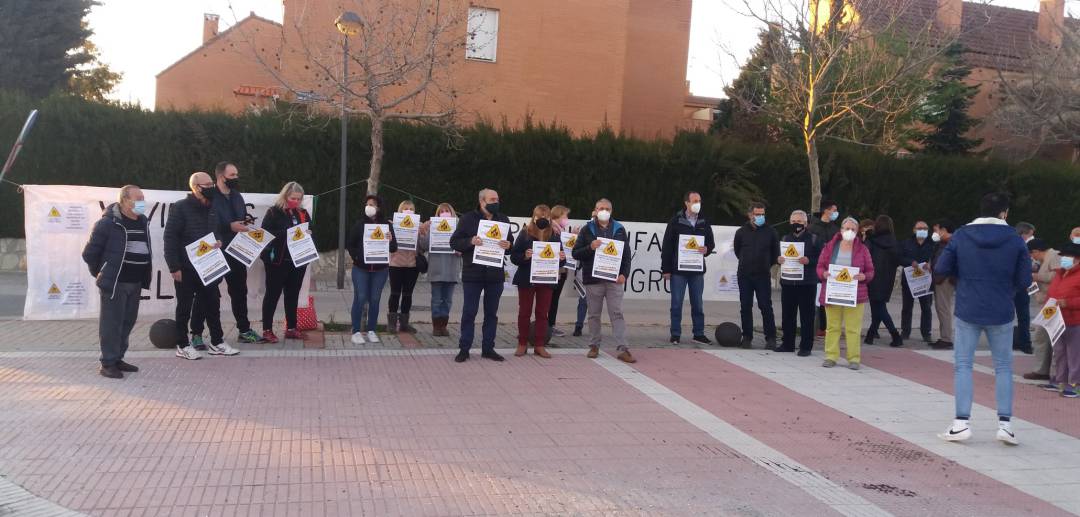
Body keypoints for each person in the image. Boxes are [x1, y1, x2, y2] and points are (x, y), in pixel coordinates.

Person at [935, 193, 1031, 446]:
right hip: (1001, 309)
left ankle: (961, 423)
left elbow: (941, 269)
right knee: (1003, 367)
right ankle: (1005, 425)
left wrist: (964, 281)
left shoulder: (962, 235)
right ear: (1004, 213)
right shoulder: (1015, 239)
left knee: (963, 365)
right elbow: (1024, 281)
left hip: (968, 307)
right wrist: (1006, 291)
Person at [164, 172, 240, 360]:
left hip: (209, 265)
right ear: (196, 187)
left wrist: (220, 241)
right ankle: (182, 344)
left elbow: (217, 231)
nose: (211, 187)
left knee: (213, 304)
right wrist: (174, 267)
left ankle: (217, 341)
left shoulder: (213, 207)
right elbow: (170, 238)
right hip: (187, 267)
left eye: (211, 183)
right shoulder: (181, 208)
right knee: (184, 307)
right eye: (207, 184)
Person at [82, 185, 152, 378]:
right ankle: (107, 363)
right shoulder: (107, 224)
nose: (142, 202)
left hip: (135, 282)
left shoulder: (142, 220)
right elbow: (89, 254)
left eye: (143, 197)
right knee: (111, 323)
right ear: (125, 201)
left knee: (127, 321)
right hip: (116, 283)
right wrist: (104, 273)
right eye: (138, 198)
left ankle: (118, 358)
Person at [450, 188, 513, 363]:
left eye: (497, 199)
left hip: (495, 275)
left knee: (491, 314)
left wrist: (508, 245)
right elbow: (454, 242)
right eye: (492, 199)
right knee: (469, 312)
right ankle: (464, 349)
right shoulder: (468, 219)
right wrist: (470, 241)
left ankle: (488, 348)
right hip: (473, 274)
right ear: (482, 201)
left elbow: (511, 245)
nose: (496, 202)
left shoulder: (503, 219)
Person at [573, 198, 636, 363]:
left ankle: (623, 348)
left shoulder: (620, 229)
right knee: (593, 314)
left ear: (611, 210)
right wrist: (590, 247)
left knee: (617, 313)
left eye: (607, 208)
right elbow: (575, 253)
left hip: (614, 280)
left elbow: (626, 256)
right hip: (593, 280)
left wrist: (624, 274)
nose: (604, 211)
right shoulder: (587, 229)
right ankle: (594, 346)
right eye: (601, 208)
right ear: (595, 210)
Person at [209, 162, 261, 344]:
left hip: (237, 251)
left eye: (236, 174)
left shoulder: (237, 196)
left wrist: (245, 223)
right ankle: (207, 333)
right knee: (209, 293)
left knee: (239, 291)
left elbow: (241, 218)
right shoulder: (210, 197)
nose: (235, 178)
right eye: (232, 175)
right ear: (221, 177)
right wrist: (228, 226)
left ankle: (244, 330)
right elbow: (205, 223)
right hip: (215, 250)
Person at [817, 217, 875, 370]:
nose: (849, 232)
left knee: (853, 328)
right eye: (846, 228)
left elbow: (870, 271)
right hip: (833, 292)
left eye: (853, 229)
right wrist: (824, 274)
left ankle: (854, 359)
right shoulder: (830, 247)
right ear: (841, 230)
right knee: (832, 327)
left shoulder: (863, 249)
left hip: (854, 294)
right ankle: (831, 356)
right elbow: (820, 266)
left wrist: (864, 276)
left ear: (857, 232)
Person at [661, 191, 716, 345]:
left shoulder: (704, 221)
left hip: (697, 271)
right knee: (676, 303)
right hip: (678, 271)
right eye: (694, 200)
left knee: (698, 304)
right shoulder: (676, 221)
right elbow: (667, 246)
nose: (697, 203)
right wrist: (666, 269)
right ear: (686, 203)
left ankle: (698, 334)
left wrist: (707, 249)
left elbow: (710, 243)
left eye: (699, 200)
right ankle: (675, 334)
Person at [259, 182, 311, 343]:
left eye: (298, 198)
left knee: (293, 295)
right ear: (285, 196)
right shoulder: (273, 212)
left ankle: (291, 328)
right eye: (292, 198)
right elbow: (265, 233)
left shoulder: (303, 212)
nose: (295, 201)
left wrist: (308, 233)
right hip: (277, 261)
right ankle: (267, 330)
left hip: (298, 261)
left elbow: (311, 231)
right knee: (272, 295)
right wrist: (288, 233)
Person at [510, 205, 563, 357]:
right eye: (539, 216)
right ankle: (522, 343)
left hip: (546, 280)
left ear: (550, 219)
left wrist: (561, 259)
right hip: (526, 279)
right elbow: (514, 257)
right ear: (533, 217)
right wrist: (525, 256)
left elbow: (561, 260)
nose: (542, 220)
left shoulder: (554, 234)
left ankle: (539, 345)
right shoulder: (525, 233)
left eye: (545, 217)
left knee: (542, 313)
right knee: (524, 312)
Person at [346, 195, 397, 345]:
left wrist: (390, 239)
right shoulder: (359, 224)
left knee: (375, 299)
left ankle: (371, 330)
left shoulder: (387, 225)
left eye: (373, 204)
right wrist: (357, 257)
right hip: (361, 269)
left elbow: (394, 248)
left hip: (380, 269)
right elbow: (350, 244)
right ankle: (355, 331)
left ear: (379, 207)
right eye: (367, 204)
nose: (369, 207)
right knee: (360, 298)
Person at [732, 202, 779, 349]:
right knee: (745, 306)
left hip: (763, 275)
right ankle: (747, 337)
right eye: (757, 214)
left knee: (765, 306)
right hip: (744, 275)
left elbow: (775, 254)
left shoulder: (771, 232)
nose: (760, 217)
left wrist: (765, 264)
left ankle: (770, 338)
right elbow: (737, 251)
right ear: (750, 215)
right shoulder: (741, 232)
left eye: (762, 214)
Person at [777, 210, 820, 355]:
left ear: (806, 223)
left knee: (807, 317)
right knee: (787, 315)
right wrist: (779, 260)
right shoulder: (784, 238)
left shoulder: (814, 239)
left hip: (807, 284)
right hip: (788, 283)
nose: (796, 224)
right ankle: (787, 344)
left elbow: (822, 260)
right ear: (790, 222)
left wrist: (809, 261)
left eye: (800, 221)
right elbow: (779, 257)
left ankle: (806, 347)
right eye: (794, 221)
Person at [418, 202, 461, 337]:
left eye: (447, 210)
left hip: (452, 269)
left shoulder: (459, 227)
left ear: (452, 212)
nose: (444, 213)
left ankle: (444, 325)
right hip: (436, 268)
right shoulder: (432, 226)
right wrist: (423, 233)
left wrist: (461, 249)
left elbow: (464, 245)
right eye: (441, 211)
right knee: (436, 299)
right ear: (437, 214)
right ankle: (436, 326)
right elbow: (423, 246)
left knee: (447, 300)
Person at [1022, 238, 1061, 381]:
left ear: (1036, 251)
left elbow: (1057, 276)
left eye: (1032, 255)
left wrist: (1035, 276)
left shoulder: (1055, 256)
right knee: (1042, 335)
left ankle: (1053, 372)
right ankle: (1042, 370)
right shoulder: (1043, 260)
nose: (1032, 258)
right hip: (1046, 302)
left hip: (1053, 303)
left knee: (1051, 336)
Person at [1045, 243, 1080, 397]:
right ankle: (1061, 381)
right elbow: (1051, 294)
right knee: (1059, 353)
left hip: (1075, 320)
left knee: (1075, 355)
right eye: (1063, 256)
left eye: (1068, 256)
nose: (1064, 259)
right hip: (1057, 320)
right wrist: (1046, 313)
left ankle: (1075, 385)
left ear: (1077, 259)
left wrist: (1069, 303)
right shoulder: (1060, 273)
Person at [866, 215, 903, 347]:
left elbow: (867, 257)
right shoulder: (893, 241)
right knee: (879, 307)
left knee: (879, 308)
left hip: (874, 277)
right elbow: (898, 260)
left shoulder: (872, 240)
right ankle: (870, 334)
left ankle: (895, 335)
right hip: (888, 278)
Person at [899, 220, 937, 343]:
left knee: (926, 307)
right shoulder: (906, 243)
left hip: (925, 281)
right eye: (920, 228)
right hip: (909, 281)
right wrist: (910, 262)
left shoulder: (932, 244)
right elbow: (899, 257)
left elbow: (937, 259)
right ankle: (905, 331)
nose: (922, 230)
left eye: (925, 228)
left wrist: (931, 264)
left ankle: (926, 333)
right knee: (907, 307)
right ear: (914, 230)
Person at [388, 200, 422, 334]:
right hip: (396, 263)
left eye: (411, 208)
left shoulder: (418, 225)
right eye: (405, 208)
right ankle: (391, 323)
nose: (408, 211)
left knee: (408, 294)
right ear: (400, 210)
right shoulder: (392, 224)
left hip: (412, 264)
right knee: (395, 293)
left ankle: (404, 323)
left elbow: (423, 246)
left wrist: (421, 233)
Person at [809, 200, 841, 338]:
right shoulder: (812, 228)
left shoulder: (836, 229)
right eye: (834, 210)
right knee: (815, 299)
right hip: (816, 268)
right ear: (826, 211)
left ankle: (826, 327)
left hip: (832, 269)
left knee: (829, 299)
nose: (836, 213)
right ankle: (814, 327)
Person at [930, 220, 957, 350]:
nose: (935, 233)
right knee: (941, 307)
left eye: (936, 230)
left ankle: (946, 339)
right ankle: (943, 337)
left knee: (943, 308)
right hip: (940, 278)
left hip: (945, 279)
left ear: (944, 230)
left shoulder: (952, 243)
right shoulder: (943, 243)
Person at [547, 205, 573, 338]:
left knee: (554, 299)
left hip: (562, 269)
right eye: (565, 216)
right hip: (555, 270)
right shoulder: (552, 230)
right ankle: (548, 326)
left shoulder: (560, 230)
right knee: (551, 299)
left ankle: (550, 325)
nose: (566, 219)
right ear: (557, 216)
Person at [1013, 221, 1037, 354]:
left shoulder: (1012, 244)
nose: (1030, 238)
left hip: (1018, 285)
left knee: (1022, 316)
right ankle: (1024, 343)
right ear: (1022, 234)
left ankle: (1022, 341)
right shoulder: (1018, 246)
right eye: (1029, 235)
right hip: (1019, 285)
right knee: (1023, 316)